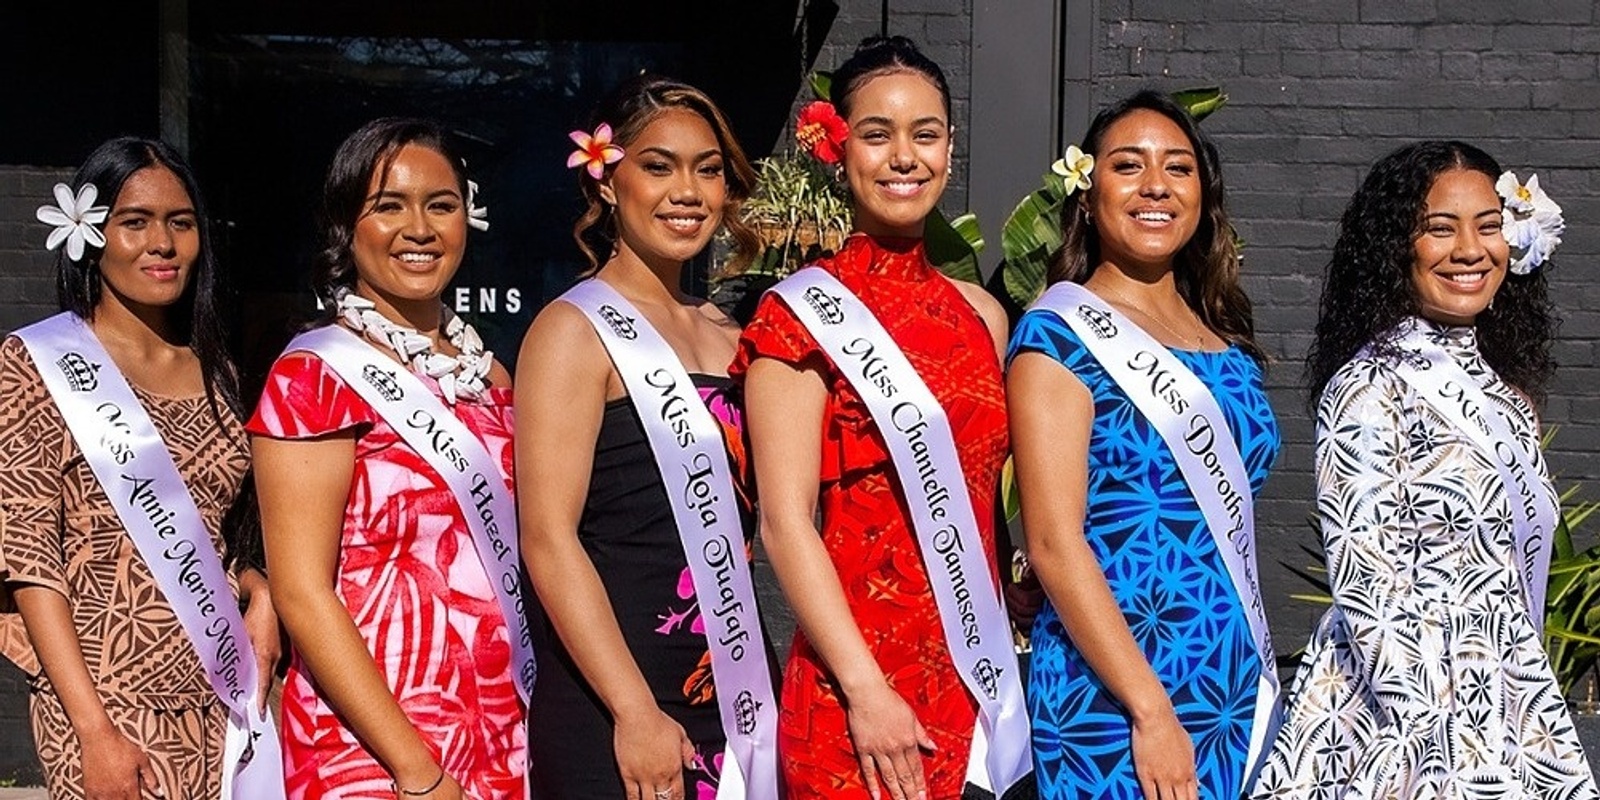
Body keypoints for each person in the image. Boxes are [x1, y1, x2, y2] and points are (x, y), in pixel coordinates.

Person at [1249, 141, 1598, 799]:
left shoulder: (1504, 393)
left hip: (1505, 696)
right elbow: (1365, 581)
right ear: (1395, 249)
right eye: (1441, 228)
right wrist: (1435, 744)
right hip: (1402, 711)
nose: (1470, 249)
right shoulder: (1367, 387)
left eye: (1488, 226)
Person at [733, 35, 1027, 800]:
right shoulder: (796, 314)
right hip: (854, 692)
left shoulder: (984, 317)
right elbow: (784, 522)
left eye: (924, 134)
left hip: (974, 678)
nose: (904, 157)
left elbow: (978, 496)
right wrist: (866, 691)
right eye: (877, 134)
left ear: (950, 149)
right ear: (840, 150)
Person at [1006, 90, 1280, 800]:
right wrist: (1150, 710)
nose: (1156, 185)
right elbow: (1054, 543)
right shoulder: (1059, 336)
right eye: (1128, 166)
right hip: (1120, 693)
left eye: (1179, 169)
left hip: (1226, 682)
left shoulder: (1226, 338)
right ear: (1088, 194)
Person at [249, 117, 530, 799]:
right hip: (373, 745)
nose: (420, 229)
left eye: (441, 205)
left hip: (499, 726)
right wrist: (416, 770)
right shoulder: (312, 377)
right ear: (348, 225)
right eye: (389, 206)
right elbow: (301, 592)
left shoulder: (491, 375)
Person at [516, 75, 778, 800]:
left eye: (708, 168)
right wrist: (633, 708)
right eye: (658, 166)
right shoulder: (571, 331)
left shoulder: (739, 338)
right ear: (606, 181)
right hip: (615, 700)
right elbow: (546, 537)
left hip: (737, 690)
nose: (687, 190)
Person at [0, 137, 280, 799]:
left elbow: (214, 526)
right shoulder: (37, 364)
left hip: (219, 700)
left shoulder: (217, 373)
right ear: (91, 235)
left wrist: (257, 588)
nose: (162, 243)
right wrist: (93, 731)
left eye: (180, 223)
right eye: (135, 222)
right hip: (106, 701)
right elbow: (28, 554)